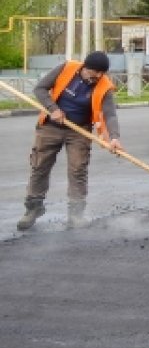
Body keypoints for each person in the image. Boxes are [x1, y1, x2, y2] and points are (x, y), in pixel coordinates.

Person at [17, 51, 125, 230]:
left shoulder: (104, 86)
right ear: (85, 67)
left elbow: (110, 114)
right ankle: (33, 209)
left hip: (79, 131)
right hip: (50, 127)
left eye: (101, 73)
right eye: (95, 72)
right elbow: (40, 89)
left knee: (78, 169)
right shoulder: (66, 68)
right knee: (39, 166)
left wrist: (114, 138)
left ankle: (76, 214)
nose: (98, 76)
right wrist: (53, 108)